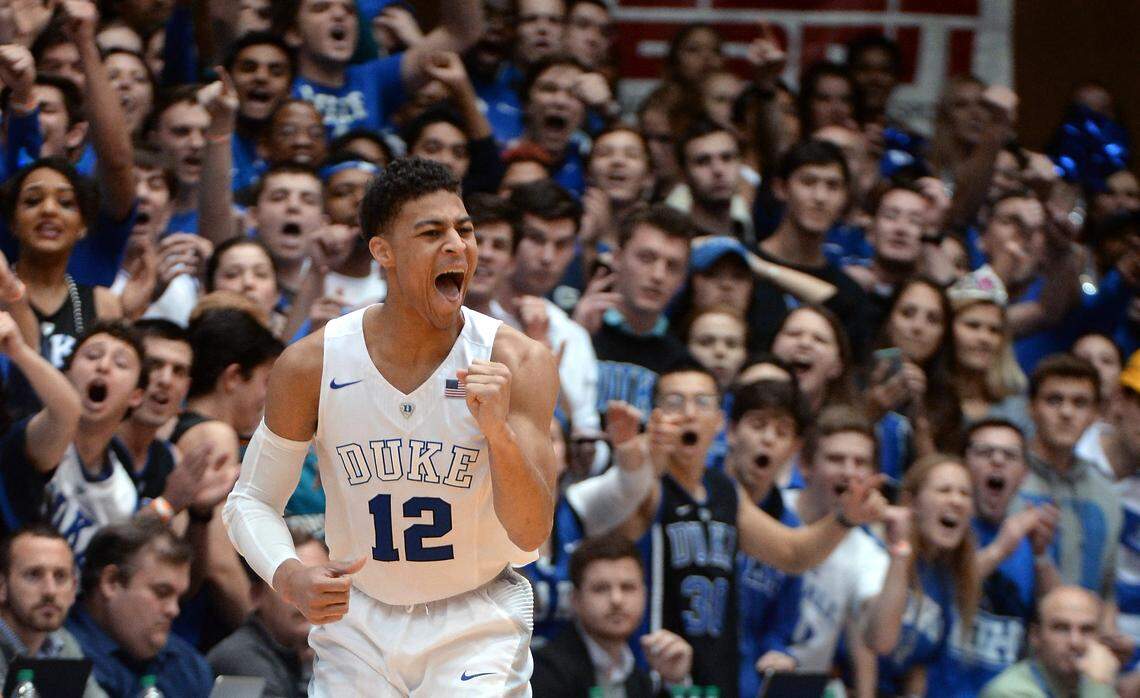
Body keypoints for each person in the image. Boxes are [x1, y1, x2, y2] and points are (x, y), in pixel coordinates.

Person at [224, 157, 560, 695]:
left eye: (464, 229)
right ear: (382, 251)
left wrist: (499, 435)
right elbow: (250, 500)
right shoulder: (313, 364)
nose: (457, 245)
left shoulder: (518, 362)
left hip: (475, 620)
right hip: (357, 621)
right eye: (432, 233)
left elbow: (530, 533)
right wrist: (288, 575)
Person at [613, 366, 886, 696]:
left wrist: (844, 518)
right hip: (651, 670)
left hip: (717, 675)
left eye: (701, 402)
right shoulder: (647, 482)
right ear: (655, 416)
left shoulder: (725, 491)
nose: (687, 413)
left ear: (718, 422)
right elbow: (628, 508)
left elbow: (792, 554)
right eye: (674, 402)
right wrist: (640, 458)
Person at [929, 418, 1060, 696]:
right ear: (963, 465)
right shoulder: (943, 523)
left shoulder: (1029, 536)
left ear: (1024, 473)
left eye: (1010, 455)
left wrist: (1041, 556)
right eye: (985, 452)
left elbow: (1060, 616)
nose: (998, 461)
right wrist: (1001, 549)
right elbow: (935, 593)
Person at [782, 405, 888, 696]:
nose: (848, 472)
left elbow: (872, 637)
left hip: (800, 689)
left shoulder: (869, 552)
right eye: (835, 459)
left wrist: (901, 548)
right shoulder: (771, 511)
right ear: (805, 464)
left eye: (860, 462)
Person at [864, 454, 981, 697]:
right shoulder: (875, 549)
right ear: (912, 502)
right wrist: (901, 549)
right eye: (944, 490)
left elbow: (918, 668)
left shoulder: (945, 576)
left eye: (965, 494)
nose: (956, 501)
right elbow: (878, 640)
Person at [530, 535, 694, 697]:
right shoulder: (546, 671)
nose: (617, 600)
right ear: (575, 599)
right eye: (601, 588)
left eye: (628, 587)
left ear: (645, 594)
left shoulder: (638, 676)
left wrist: (675, 682)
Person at [67, 517, 212, 698]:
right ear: (111, 582)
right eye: (162, 592)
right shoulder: (62, 657)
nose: (174, 610)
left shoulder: (189, 666)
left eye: (178, 598)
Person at [726, 379, 808, 697]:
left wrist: (779, 655)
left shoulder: (790, 533)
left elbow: (779, 629)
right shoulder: (693, 495)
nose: (768, 439)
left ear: (795, 448)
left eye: (782, 431)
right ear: (731, 431)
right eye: (758, 425)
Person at [574, 204, 695, 417]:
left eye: (672, 266)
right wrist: (575, 337)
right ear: (617, 258)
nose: (658, 275)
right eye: (646, 258)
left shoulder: (683, 364)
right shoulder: (571, 327)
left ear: (682, 280)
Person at [1017, 354, 1121, 597]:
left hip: (1082, 630)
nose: (1066, 412)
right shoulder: (1006, 477)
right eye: (1054, 400)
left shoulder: (1106, 492)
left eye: (1080, 403)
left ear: (1096, 414)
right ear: (1031, 407)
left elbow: (1107, 593)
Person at [207, 528, 328, 698]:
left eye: (321, 581)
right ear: (256, 595)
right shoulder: (240, 659)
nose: (307, 594)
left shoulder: (338, 648)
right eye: (290, 584)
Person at [0, 525, 105, 697]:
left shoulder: (62, 643)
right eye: (33, 575)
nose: (50, 590)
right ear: (2, 586)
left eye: (60, 576)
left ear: (73, 589)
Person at [981, 586, 1119, 698]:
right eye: (1061, 628)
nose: (1075, 642)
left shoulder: (1089, 683)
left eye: (1087, 630)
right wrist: (1100, 685)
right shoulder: (1008, 692)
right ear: (1035, 636)